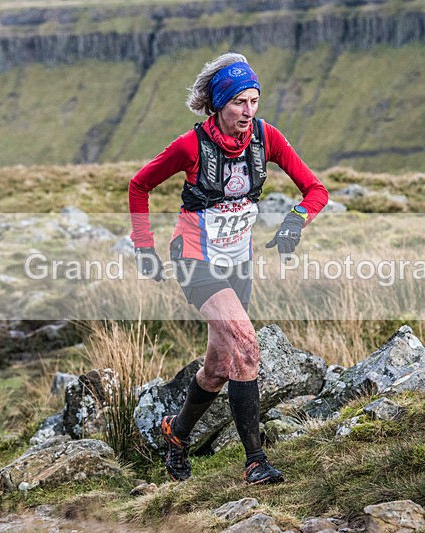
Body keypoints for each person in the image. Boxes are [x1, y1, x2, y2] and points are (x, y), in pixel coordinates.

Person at [128, 52, 328, 484]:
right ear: (219, 104)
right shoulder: (190, 146)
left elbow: (316, 190)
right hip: (195, 259)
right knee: (247, 346)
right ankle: (255, 460)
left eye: (254, 101)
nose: (248, 111)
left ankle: (176, 437)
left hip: (238, 263)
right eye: (239, 102)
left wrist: (296, 220)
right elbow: (139, 184)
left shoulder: (266, 138)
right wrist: (144, 246)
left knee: (218, 367)